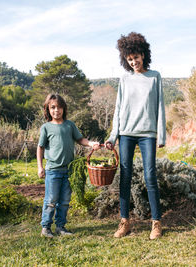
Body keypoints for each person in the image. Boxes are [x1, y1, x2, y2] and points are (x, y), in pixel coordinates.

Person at [105, 32, 166, 240]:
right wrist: (113, 136)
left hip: (147, 134)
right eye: (129, 59)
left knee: (150, 176)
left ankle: (156, 223)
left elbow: (159, 107)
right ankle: (125, 222)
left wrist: (162, 135)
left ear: (143, 54)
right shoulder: (124, 79)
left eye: (136, 57)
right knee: (125, 177)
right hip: (126, 134)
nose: (133, 62)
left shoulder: (155, 77)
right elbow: (118, 109)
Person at [37, 93, 100, 238]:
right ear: (48, 109)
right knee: (51, 200)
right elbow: (40, 147)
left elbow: (80, 139)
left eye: (59, 107)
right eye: (53, 107)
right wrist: (40, 167)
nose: (56, 110)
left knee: (65, 200)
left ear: (64, 109)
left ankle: (60, 227)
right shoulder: (46, 127)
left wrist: (91, 144)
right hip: (53, 170)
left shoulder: (69, 125)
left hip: (68, 170)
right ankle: (46, 228)